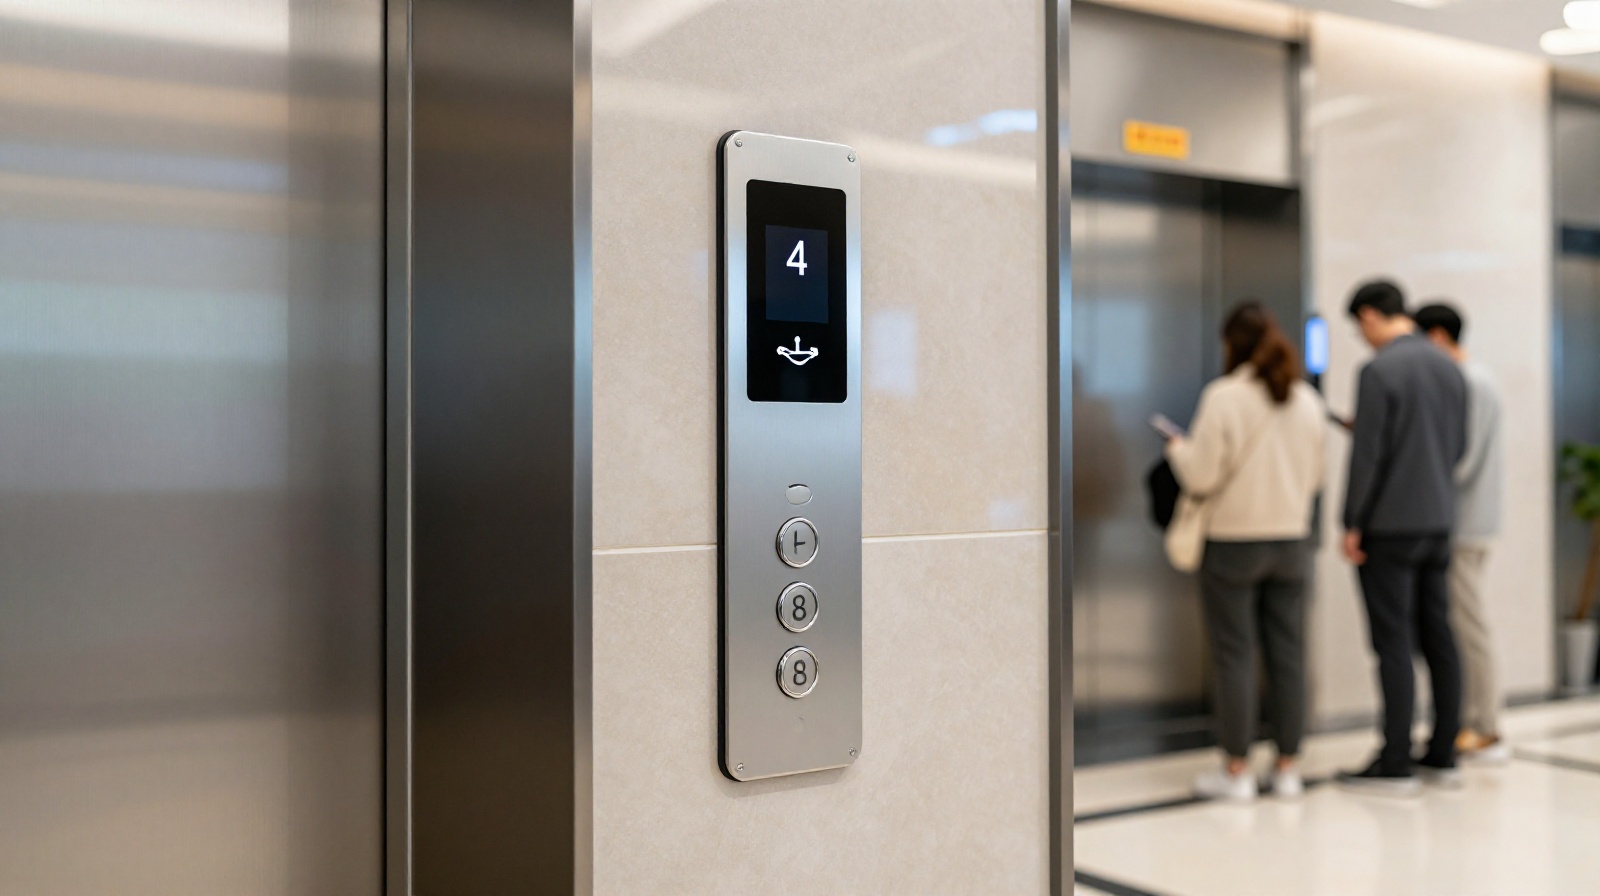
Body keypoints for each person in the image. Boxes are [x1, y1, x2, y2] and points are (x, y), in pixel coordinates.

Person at [1165, 301, 1327, 802]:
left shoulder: (1224, 397)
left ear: (1232, 343)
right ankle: (1288, 768)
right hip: (1291, 540)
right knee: (1288, 653)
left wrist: (1176, 449)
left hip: (1233, 543)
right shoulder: (1306, 400)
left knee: (1235, 654)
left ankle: (1236, 771)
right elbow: (1317, 478)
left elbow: (1201, 474)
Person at [1336, 280, 1469, 796]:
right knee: (1439, 634)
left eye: (1359, 326)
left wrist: (1353, 522)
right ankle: (1443, 753)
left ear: (1371, 316)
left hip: (1390, 525)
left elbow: (1367, 457)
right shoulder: (1447, 366)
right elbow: (1456, 446)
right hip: (1438, 519)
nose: (1362, 338)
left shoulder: (1378, 370)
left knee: (1392, 640)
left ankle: (1395, 760)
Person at [1414, 302, 1508, 763]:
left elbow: (1461, 460)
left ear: (1436, 336)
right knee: (1462, 624)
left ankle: (1485, 724)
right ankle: (1472, 719)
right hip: (1471, 522)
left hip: (1465, 525)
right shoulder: (1477, 379)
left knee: (1469, 626)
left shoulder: (1467, 382)